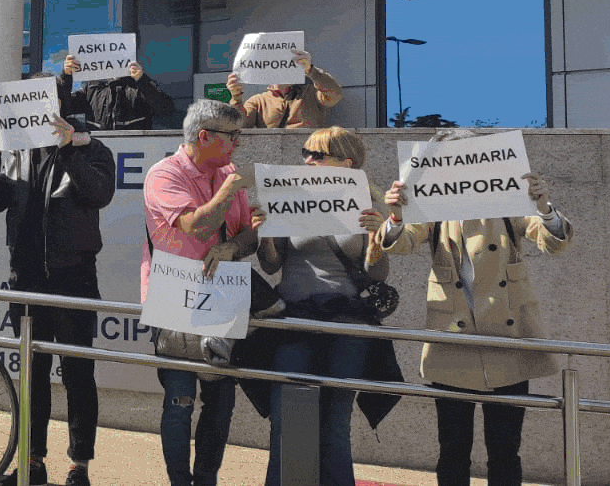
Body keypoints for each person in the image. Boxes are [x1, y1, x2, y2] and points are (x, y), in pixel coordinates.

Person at [374, 129, 572, 486]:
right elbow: (399, 245)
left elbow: (554, 243)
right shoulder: (431, 204)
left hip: (507, 342)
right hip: (453, 341)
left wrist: (543, 207)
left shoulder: (508, 200)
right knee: (452, 447)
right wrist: (396, 216)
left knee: (505, 448)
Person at [0, 105, 116, 486]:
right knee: (33, 376)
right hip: (25, 280)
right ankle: (32, 463)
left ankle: (79, 467)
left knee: (78, 375)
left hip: (74, 278)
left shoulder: (93, 150)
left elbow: (100, 193)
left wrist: (70, 148)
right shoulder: (16, 152)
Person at [254, 127, 399, 486]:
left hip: (347, 326)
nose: (306, 160)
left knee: (335, 424)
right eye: (305, 153)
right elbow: (271, 264)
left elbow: (376, 272)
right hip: (296, 321)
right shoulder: (289, 195)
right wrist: (265, 232)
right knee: (294, 422)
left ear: (345, 163)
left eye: (316, 155)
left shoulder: (365, 205)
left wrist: (376, 239)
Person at [142, 99, 264, 486]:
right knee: (180, 403)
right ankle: (180, 481)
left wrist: (233, 247)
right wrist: (229, 188)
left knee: (220, 404)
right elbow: (196, 225)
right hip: (174, 297)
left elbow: (250, 236)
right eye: (232, 136)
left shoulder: (228, 172)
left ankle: (206, 480)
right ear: (205, 136)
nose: (238, 144)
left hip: (222, 297)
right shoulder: (165, 174)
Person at [225, 48, 342, 128]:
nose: (281, 70)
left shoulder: (311, 92)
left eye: (286, 65)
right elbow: (238, 125)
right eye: (276, 66)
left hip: (310, 154)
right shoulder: (258, 101)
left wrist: (311, 70)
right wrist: (236, 98)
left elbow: (335, 95)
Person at [61, 55, 176, 130]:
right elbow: (63, 107)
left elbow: (166, 109)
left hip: (136, 153)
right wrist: (66, 76)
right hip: (98, 156)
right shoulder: (92, 89)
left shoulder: (139, 88)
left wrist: (142, 80)